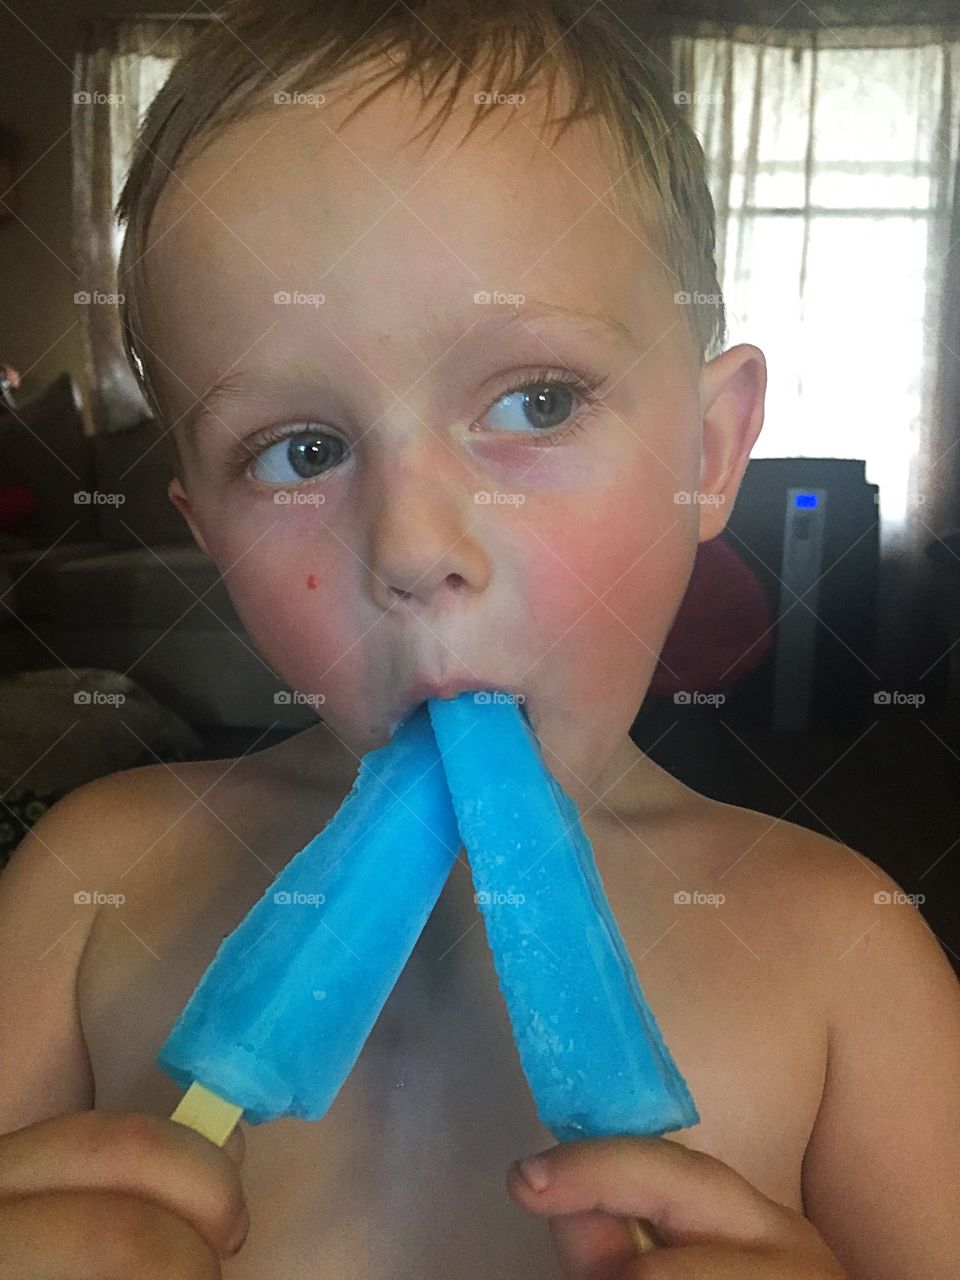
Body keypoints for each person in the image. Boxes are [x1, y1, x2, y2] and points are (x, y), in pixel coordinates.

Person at [0, 2, 956, 1276]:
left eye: (536, 401)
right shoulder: (86, 887)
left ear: (711, 450)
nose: (410, 545)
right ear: (207, 534)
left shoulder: (853, 957)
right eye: (302, 450)